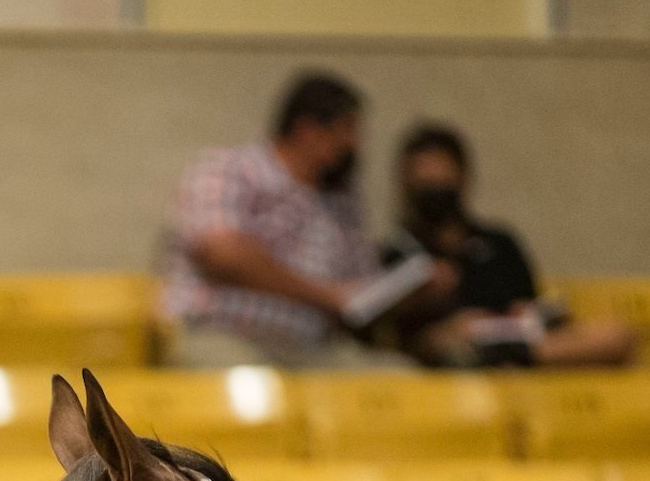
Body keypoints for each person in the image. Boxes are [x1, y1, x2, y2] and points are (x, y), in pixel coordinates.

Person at [158, 71, 446, 370]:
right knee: (253, 399)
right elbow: (221, 253)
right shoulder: (228, 170)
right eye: (346, 130)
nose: (354, 146)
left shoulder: (342, 204)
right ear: (307, 130)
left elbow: (357, 297)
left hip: (313, 352)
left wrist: (409, 291)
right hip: (223, 338)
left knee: (400, 381)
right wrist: (326, 296)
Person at [387, 123, 635, 369]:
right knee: (449, 338)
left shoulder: (499, 242)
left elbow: (530, 304)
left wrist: (521, 317)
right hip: (449, 346)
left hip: (517, 340)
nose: (434, 192)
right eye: (425, 183)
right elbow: (396, 334)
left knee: (615, 335)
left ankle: (507, 357)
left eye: (441, 181)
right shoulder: (398, 253)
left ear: (461, 178)